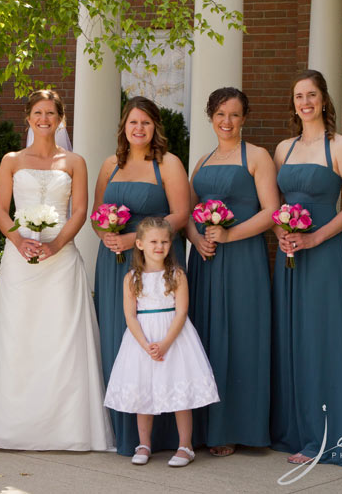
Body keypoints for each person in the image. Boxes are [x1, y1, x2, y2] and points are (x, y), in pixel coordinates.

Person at [0, 90, 114, 451]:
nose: (44, 118)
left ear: (61, 118)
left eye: (51, 113)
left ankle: (69, 429)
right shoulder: (11, 160)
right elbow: (1, 209)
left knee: (61, 337)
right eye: (37, 112)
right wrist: (19, 241)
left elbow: (79, 210)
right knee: (20, 337)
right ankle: (10, 427)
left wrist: (55, 244)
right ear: (28, 118)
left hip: (61, 259)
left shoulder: (75, 161)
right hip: (21, 259)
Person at [271, 69, 342, 466]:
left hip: (322, 254)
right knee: (291, 338)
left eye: (312, 95)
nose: (305, 102)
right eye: (298, 96)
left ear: (324, 101)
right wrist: (282, 236)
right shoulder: (282, 149)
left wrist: (315, 238)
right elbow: (276, 205)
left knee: (321, 339)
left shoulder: (340, 145)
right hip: (288, 256)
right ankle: (297, 429)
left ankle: (326, 435)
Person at [92, 96, 189, 456]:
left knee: (157, 340)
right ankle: (124, 433)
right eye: (133, 122)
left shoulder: (169, 164)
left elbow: (180, 214)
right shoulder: (109, 166)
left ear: (155, 128)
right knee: (118, 340)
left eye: (146, 123)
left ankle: (165, 438)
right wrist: (106, 235)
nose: (139, 129)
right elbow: (96, 215)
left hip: (155, 265)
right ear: (124, 127)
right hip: (113, 264)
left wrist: (137, 239)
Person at [185, 87, 278, 457]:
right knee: (206, 338)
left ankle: (238, 427)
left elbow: (272, 211)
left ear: (244, 119)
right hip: (205, 263)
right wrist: (198, 238)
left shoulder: (257, 156)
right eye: (221, 114)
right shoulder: (202, 162)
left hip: (244, 261)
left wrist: (228, 235)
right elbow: (190, 213)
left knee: (242, 338)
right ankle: (206, 427)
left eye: (235, 115)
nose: (227, 121)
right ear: (211, 117)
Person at [104, 217, 219, 467]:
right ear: (140, 244)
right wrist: (146, 345)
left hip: (174, 337)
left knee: (180, 389)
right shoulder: (131, 277)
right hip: (141, 339)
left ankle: (185, 445)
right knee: (143, 390)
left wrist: (165, 343)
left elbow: (181, 312)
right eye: (153, 241)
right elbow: (130, 315)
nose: (160, 246)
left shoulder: (177, 274)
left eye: (165, 241)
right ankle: (144, 443)